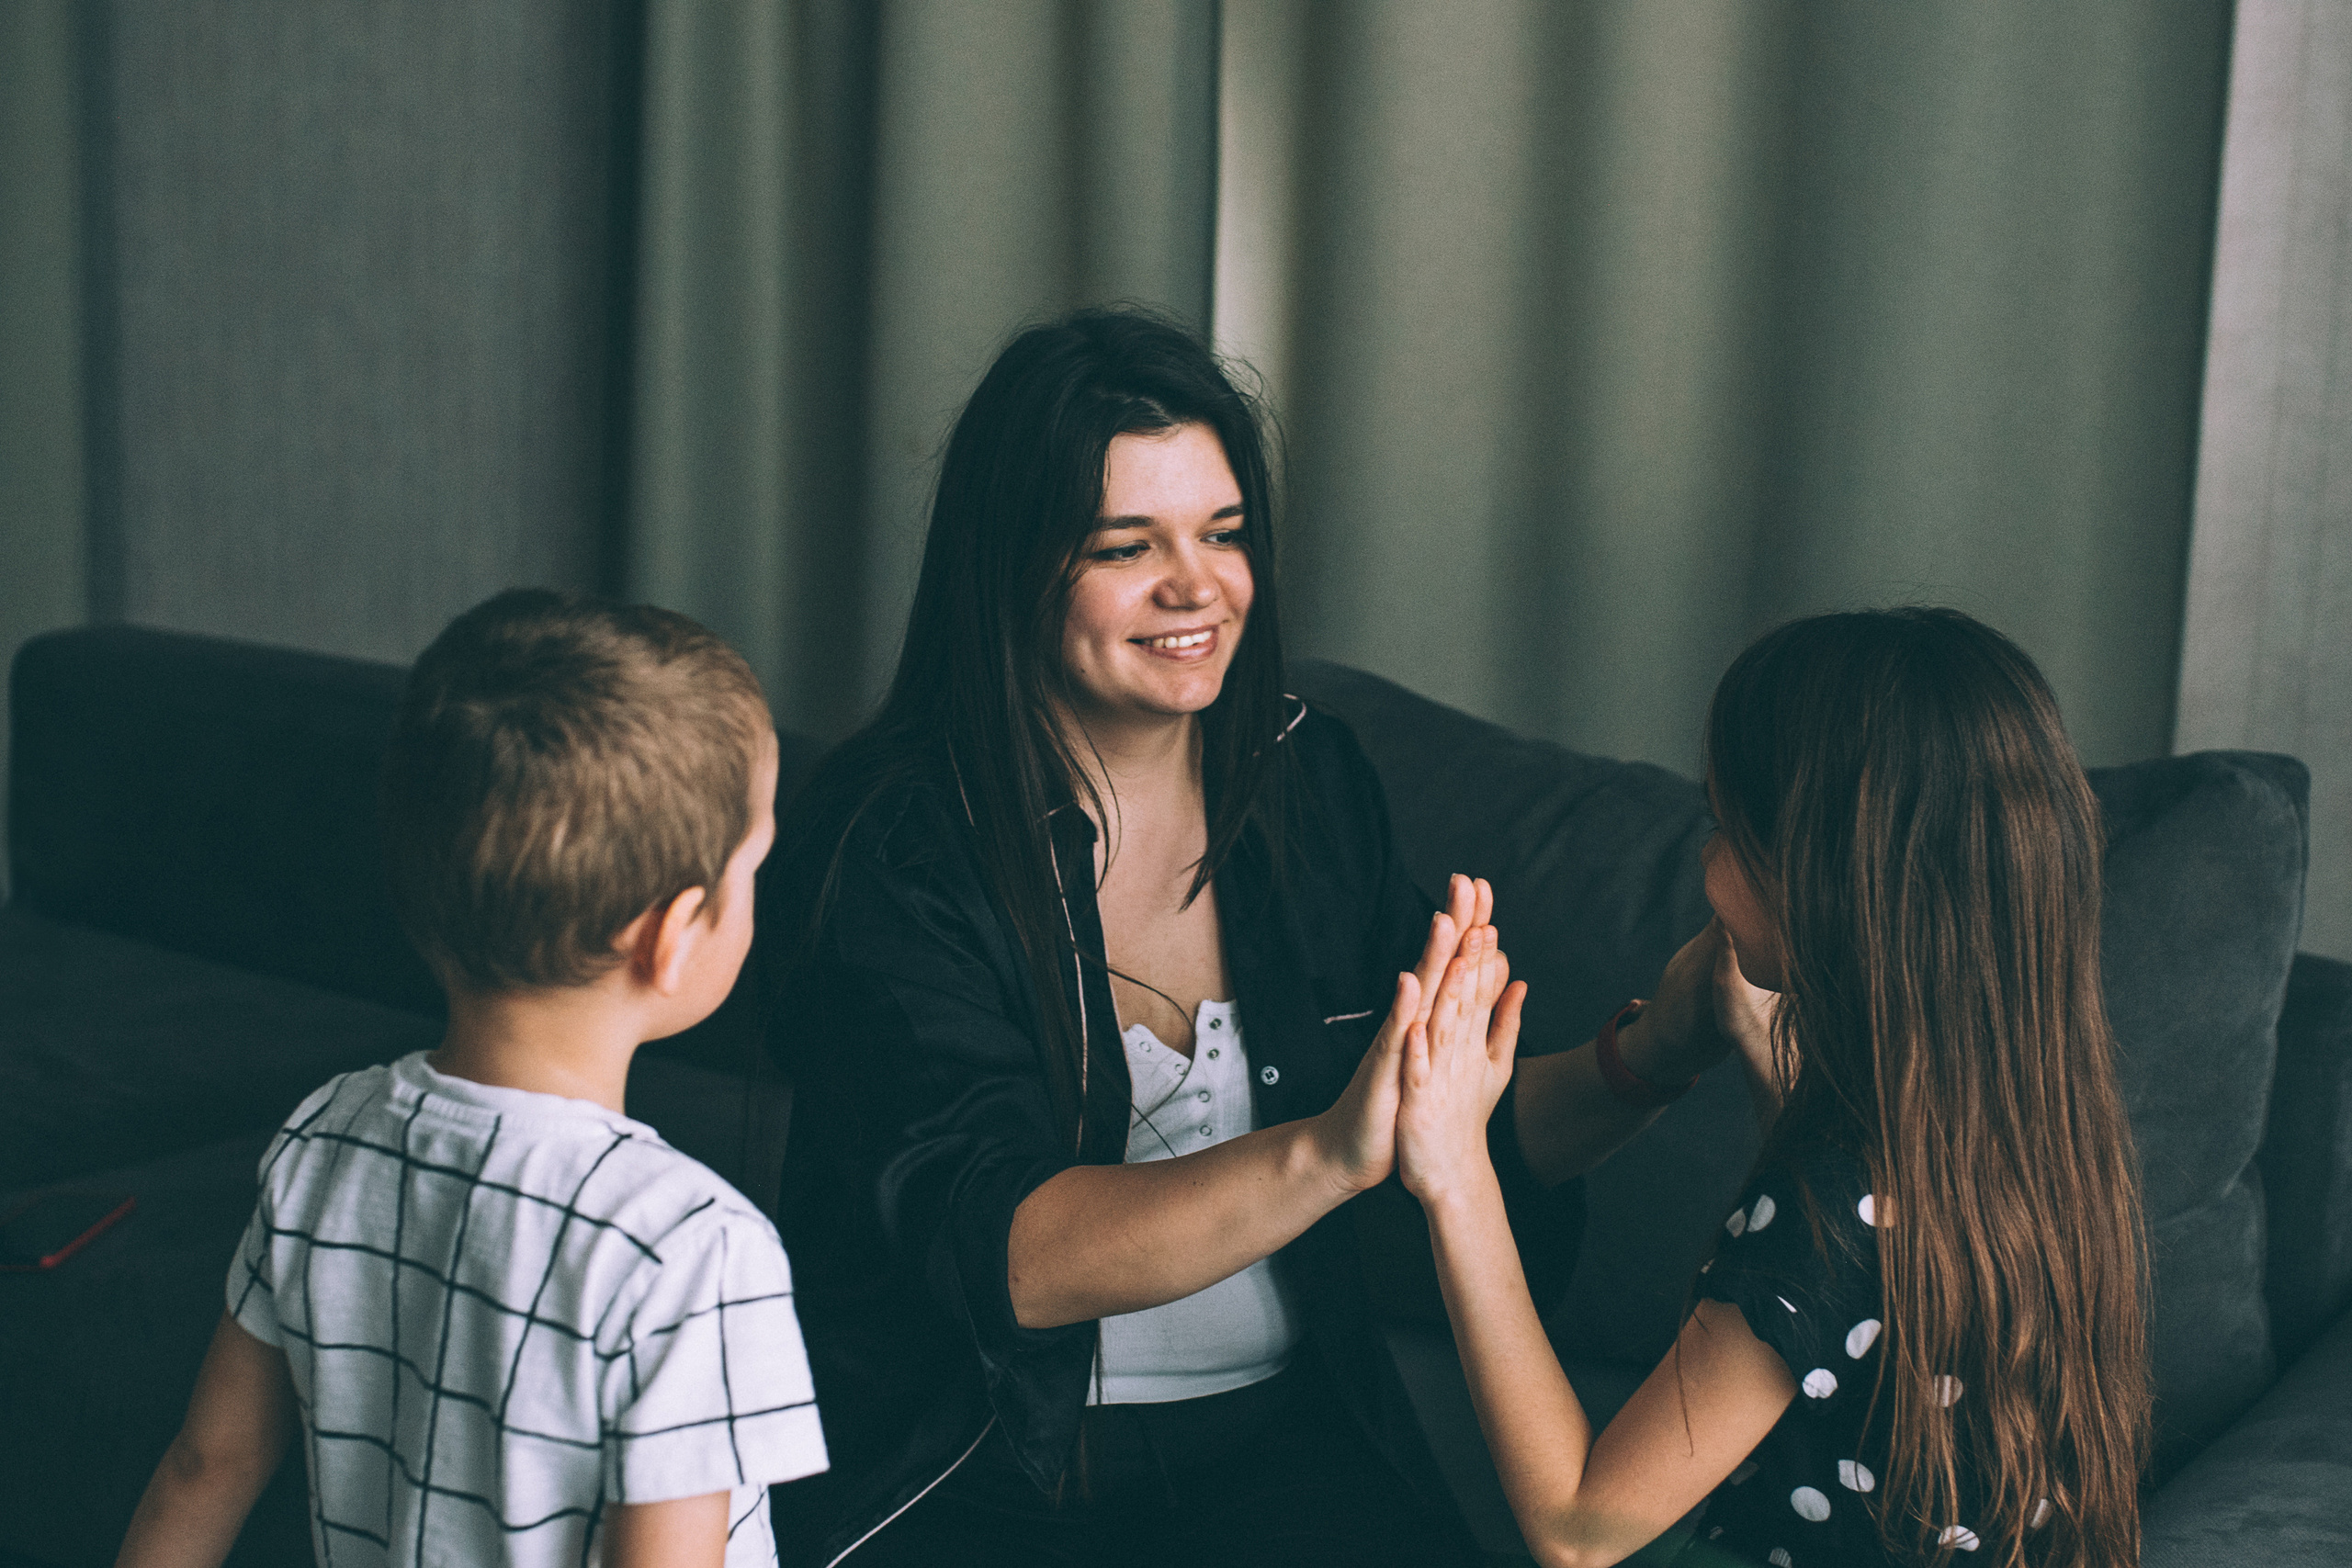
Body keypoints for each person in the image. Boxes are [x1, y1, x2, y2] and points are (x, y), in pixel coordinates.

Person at [759, 306, 1746, 1567]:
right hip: (977, 1468)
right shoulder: (890, 843)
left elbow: (1452, 1133)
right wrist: (1329, 1151)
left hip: (1281, 1440)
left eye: (1223, 533)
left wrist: (1653, 1055)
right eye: (1127, 545)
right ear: (1009, 567)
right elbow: (1013, 1259)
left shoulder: (1307, 780)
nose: (1198, 586)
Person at [1392, 607, 2152, 1568]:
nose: (1705, 862)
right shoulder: (2037, 1138)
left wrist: (1456, 1169)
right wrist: (1761, 1067)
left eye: (1724, 829)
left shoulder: (1829, 1204)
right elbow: (1854, 1348)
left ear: (1820, 881)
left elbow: (1579, 1527)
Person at [115, 591, 831, 1568]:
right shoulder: (695, 1251)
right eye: (754, 865)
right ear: (670, 935)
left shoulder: (325, 1139)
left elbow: (206, 1466)